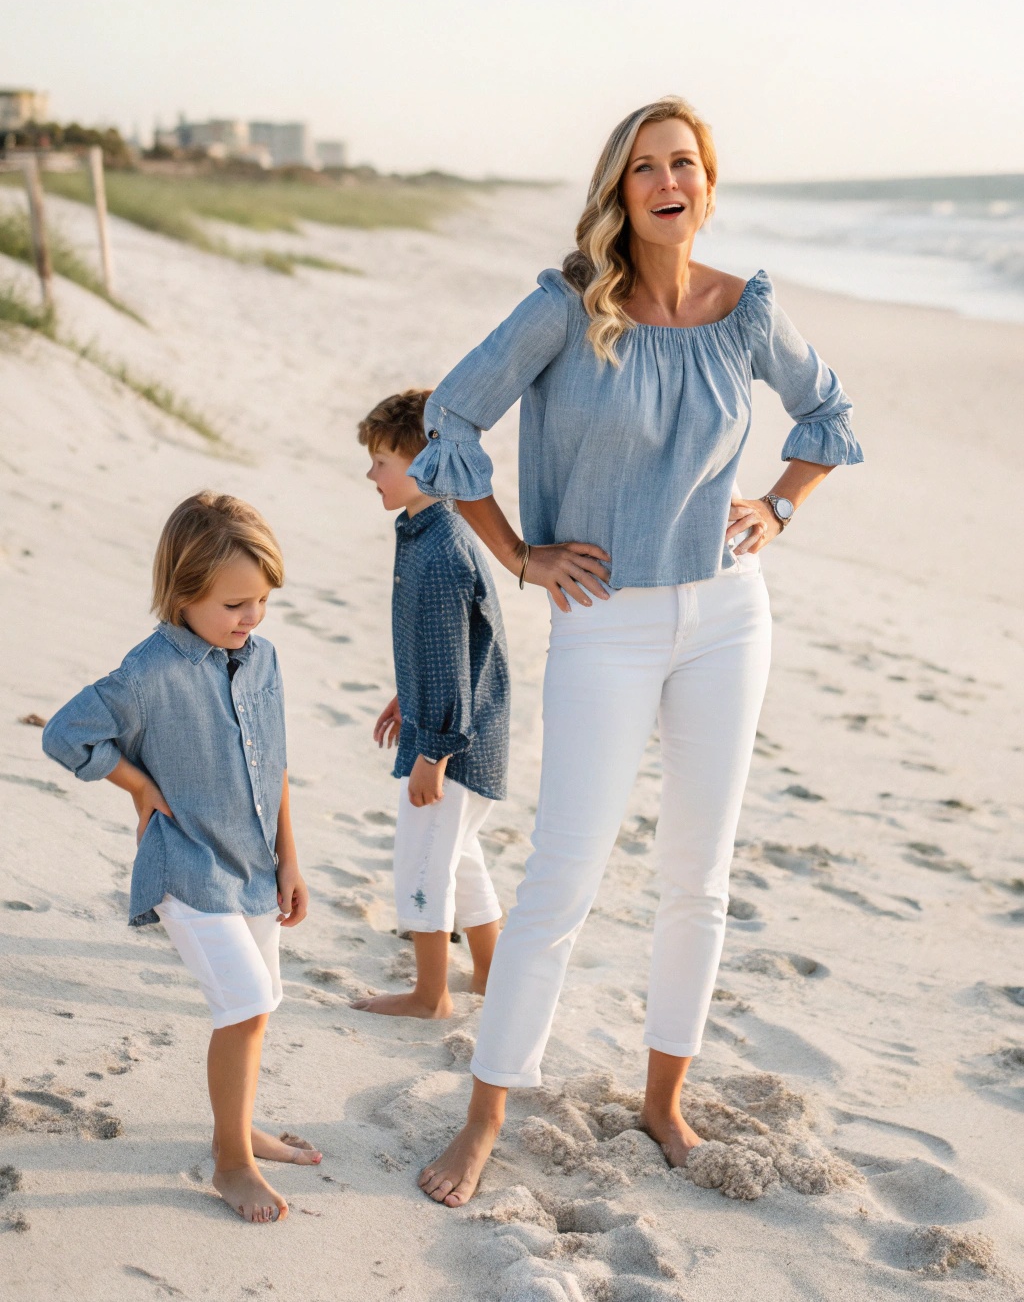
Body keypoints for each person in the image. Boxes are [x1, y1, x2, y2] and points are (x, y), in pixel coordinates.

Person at [411, 96, 864, 1206]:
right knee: (563, 871)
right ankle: (485, 1113)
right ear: (620, 189)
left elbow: (828, 413)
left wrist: (780, 506)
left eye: (685, 164)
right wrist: (520, 555)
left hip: (727, 614)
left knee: (696, 877)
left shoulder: (747, 310)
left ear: (706, 183)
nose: (668, 181)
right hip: (604, 616)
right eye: (646, 167)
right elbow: (450, 422)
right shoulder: (566, 306)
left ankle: (665, 1102)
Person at [42, 491, 317, 1225]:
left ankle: (241, 1125)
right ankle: (232, 1162)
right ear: (183, 593)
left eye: (260, 601)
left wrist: (291, 860)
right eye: (233, 604)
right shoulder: (147, 672)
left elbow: (277, 763)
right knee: (246, 1003)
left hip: (255, 867)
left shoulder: (263, 660)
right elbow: (66, 735)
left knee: (259, 1008)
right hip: (188, 869)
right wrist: (139, 785)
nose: (249, 618)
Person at [350, 389, 509, 1020]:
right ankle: (492, 975)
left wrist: (433, 752)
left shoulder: (442, 552)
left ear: (422, 467)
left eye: (382, 461)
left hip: (455, 741)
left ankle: (429, 995)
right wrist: (406, 691)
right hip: (463, 724)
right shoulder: (428, 530)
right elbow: (446, 644)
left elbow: (451, 657)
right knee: (458, 857)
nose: (371, 473)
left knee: (422, 863)